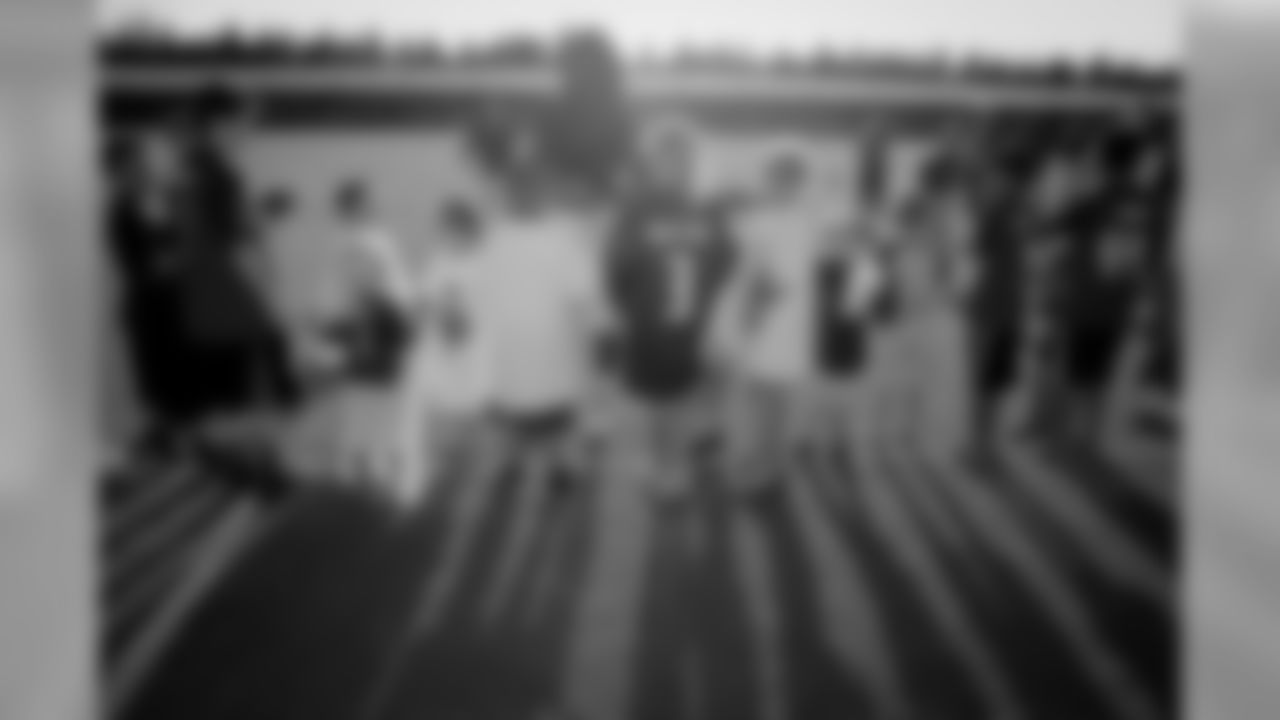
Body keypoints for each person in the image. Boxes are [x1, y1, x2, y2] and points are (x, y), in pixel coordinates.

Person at [605, 117, 738, 502]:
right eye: (665, 157)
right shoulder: (635, 209)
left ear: (691, 162)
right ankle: (658, 460)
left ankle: (675, 469)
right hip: (647, 321)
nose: (673, 165)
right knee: (652, 398)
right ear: (652, 162)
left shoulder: (706, 209)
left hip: (690, 324)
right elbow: (616, 264)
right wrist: (631, 306)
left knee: (679, 396)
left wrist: (705, 300)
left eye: (681, 157)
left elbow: (726, 258)